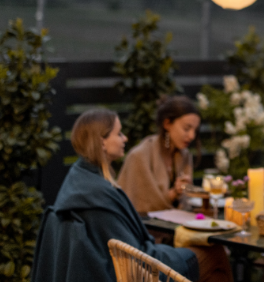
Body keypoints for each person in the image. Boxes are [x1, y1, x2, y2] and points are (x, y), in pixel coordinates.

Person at [31, 108, 199, 282]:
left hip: (128, 260)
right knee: (204, 256)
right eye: (119, 134)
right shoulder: (97, 196)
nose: (125, 138)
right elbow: (134, 256)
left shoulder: (80, 181)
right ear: (101, 142)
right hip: (129, 270)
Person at [118, 95, 201, 214]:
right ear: (167, 124)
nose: (192, 136)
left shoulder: (184, 155)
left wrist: (185, 191)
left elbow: (185, 202)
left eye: (195, 130)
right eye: (186, 128)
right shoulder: (140, 156)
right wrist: (174, 193)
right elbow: (141, 205)